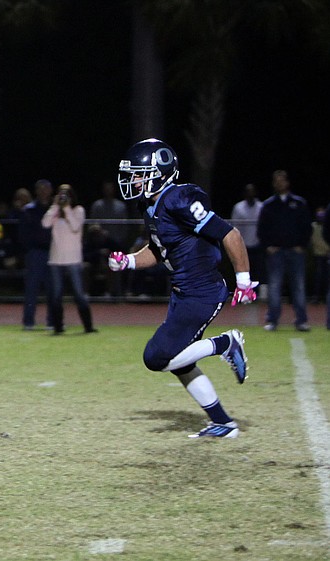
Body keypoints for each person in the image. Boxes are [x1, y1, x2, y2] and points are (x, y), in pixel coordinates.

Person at [110, 138, 257, 438]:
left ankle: (226, 344)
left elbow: (230, 234)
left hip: (202, 292)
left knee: (156, 358)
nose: (134, 180)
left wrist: (244, 280)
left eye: (140, 173)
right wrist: (128, 261)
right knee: (180, 362)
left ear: (160, 173)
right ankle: (224, 423)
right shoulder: (150, 205)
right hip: (183, 292)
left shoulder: (180, 199)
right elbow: (158, 248)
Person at [257, 170, 312, 331]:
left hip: (296, 252)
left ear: (287, 183)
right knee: (274, 286)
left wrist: (302, 245)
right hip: (276, 252)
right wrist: (268, 246)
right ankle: (272, 320)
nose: (279, 184)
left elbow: (307, 227)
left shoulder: (299, 203)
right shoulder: (269, 205)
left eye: (282, 180)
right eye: (276, 181)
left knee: (299, 286)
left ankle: (301, 320)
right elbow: (262, 229)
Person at [41, 184, 96, 334]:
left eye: (66, 195)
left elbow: (75, 226)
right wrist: (55, 206)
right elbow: (45, 223)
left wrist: (66, 208)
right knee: (56, 295)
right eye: (61, 195)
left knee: (79, 294)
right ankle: (58, 327)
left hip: (73, 259)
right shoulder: (55, 212)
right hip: (56, 259)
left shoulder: (78, 211)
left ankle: (88, 326)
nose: (64, 198)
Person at [19, 179, 55, 330]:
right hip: (35, 252)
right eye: (40, 189)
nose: (43, 191)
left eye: (46, 188)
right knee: (31, 289)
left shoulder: (56, 209)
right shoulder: (29, 209)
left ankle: (53, 321)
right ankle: (28, 321)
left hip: (54, 253)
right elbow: (23, 233)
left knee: (53, 289)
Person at [88, 180, 129, 298]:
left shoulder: (121, 206)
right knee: (94, 259)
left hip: (115, 243)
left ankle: (118, 291)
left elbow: (124, 228)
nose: (108, 191)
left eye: (110, 188)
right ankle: (95, 292)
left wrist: (118, 240)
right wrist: (99, 234)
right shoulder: (97, 205)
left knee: (120, 259)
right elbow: (92, 225)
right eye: (106, 188)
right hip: (98, 243)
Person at [230, 183, 264, 287]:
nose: (250, 194)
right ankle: (241, 292)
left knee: (258, 271)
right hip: (242, 246)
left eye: (252, 191)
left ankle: (256, 295)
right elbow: (234, 227)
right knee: (241, 270)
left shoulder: (262, 207)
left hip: (257, 245)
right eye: (248, 191)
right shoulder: (238, 207)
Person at [309, 206, 328, 303]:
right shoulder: (314, 226)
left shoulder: (327, 227)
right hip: (318, 254)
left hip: (328, 254)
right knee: (318, 276)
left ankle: (325, 296)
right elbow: (314, 241)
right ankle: (316, 296)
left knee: (326, 277)